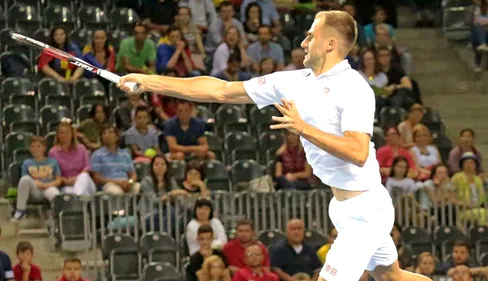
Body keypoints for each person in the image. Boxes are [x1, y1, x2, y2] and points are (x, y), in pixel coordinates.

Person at [119, 10, 433, 281]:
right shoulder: (294, 82)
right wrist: (148, 82)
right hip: (343, 206)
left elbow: (358, 152)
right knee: (392, 276)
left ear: (331, 44)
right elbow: (222, 90)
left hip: (367, 209)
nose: (303, 43)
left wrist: (303, 129)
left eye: (311, 36)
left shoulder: (354, 89)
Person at [12, 136, 62, 221]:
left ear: (44, 148)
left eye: (38, 146)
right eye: (33, 146)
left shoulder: (53, 162)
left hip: (49, 188)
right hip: (35, 191)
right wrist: (37, 183)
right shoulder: (27, 163)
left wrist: (48, 185)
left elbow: (59, 180)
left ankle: (56, 219)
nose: (35, 149)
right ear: (30, 149)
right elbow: (24, 180)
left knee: (55, 194)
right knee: (25, 179)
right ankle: (20, 211)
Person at [49, 122, 96, 196]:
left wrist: (77, 179)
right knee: (72, 192)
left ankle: (77, 197)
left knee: (83, 176)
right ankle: (80, 199)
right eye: (61, 133)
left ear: (72, 134)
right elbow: (54, 172)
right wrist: (66, 181)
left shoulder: (81, 148)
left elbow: (87, 167)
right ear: (57, 135)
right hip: (67, 184)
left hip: (86, 181)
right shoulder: (53, 152)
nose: (64, 135)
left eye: (67, 133)